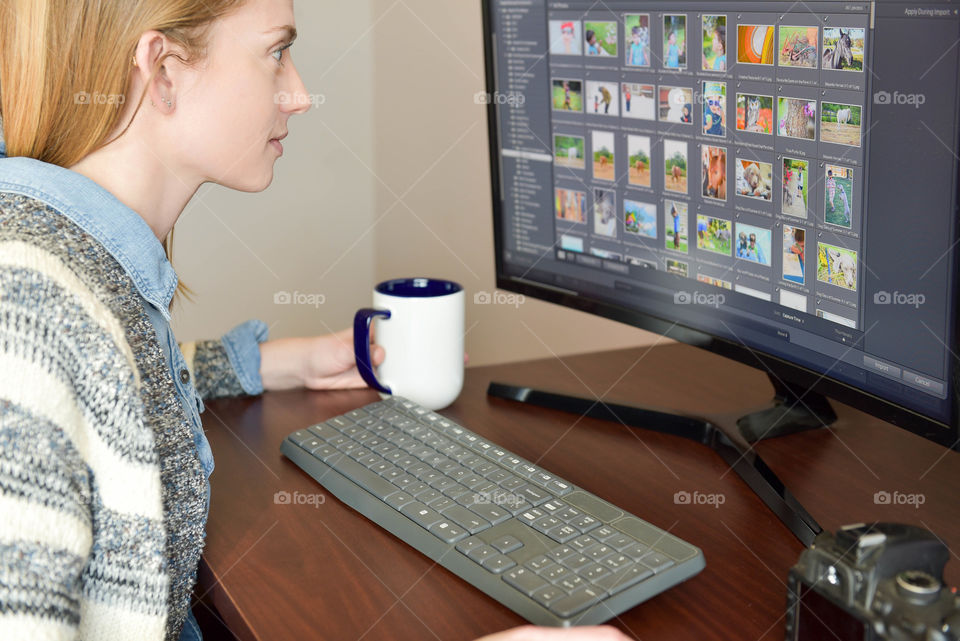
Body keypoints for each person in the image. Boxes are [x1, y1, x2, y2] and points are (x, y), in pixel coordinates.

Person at [0, 2, 631, 641]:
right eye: (276, 52)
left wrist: (269, 363)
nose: (300, 95)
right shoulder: (30, 313)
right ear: (163, 71)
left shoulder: (63, 271)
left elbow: (105, 389)